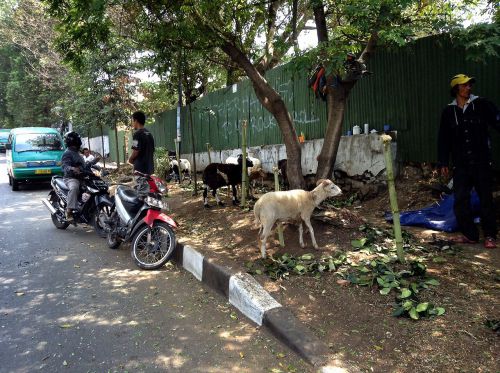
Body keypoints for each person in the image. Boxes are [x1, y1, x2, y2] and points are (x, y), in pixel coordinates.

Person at [438, 74, 500, 249]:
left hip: (481, 162)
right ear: (456, 89)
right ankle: (470, 234)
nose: (469, 88)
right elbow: (444, 139)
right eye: (464, 85)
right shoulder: (449, 112)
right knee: (461, 200)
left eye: (469, 85)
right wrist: (443, 162)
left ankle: (490, 235)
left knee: (485, 199)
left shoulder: (481, 104)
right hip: (461, 164)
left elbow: (497, 121)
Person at [61, 131, 84, 221]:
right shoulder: (67, 153)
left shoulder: (78, 153)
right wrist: (72, 169)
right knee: (74, 188)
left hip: (82, 177)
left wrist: (94, 163)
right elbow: (64, 166)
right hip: (70, 178)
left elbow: (83, 166)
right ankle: (69, 211)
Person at [128, 111, 154, 175]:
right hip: (150, 168)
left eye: (133, 121)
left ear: (136, 121)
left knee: (140, 185)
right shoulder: (149, 134)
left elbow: (135, 151)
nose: (132, 123)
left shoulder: (137, 134)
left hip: (140, 169)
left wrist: (130, 160)